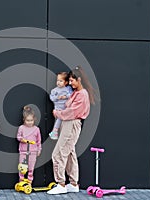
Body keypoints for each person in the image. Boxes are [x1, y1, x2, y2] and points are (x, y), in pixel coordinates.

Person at [47, 66, 96, 195]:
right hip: (68, 123)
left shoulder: (82, 94)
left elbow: (72, 112)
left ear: (78, 79)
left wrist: (58, 113)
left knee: (58, 154)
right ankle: (73, 183)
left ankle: (61, 184)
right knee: (69, 153)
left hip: (71, 123)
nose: (70, 83)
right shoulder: (76, 93)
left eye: (72, 80)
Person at [17, 106, 42, 184]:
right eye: (28, 120)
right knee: (22, 167)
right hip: (23, 151)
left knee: (31, 167)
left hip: (33, 151)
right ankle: (21, 180)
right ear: (24, 120)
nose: (29, 122)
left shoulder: (36, 129)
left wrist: (39, 149)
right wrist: (21, 139)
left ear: (34, 119)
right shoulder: (21, 128)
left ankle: (29, 181)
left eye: (31, 120)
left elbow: (39, 141)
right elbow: (18, 136)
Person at [49, 72, 73, 140]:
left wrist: (65, 96)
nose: (58, 82)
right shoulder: (54, 90)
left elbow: (72, 95)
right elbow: (52, 98)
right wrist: (57, 97)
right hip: (58, 109)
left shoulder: (67, 89)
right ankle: (55, 131)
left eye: (61, 81)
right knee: (58, 120)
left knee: (61, 121)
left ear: (66, 82)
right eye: (57, 80)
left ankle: (55, 131)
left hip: (66, 108)